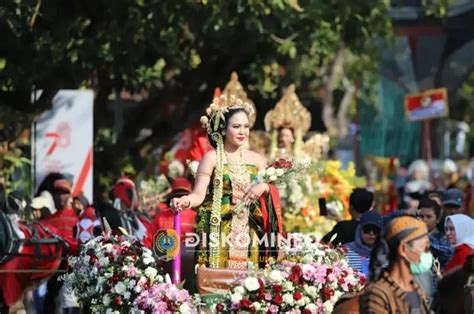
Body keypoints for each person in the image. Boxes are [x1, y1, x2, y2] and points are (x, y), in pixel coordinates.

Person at [171, 94, 283, 269]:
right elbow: (199, 194)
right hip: (219, 230)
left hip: (251, 231)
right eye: (236, 126)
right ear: (223, 129)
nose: (242, 132)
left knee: (249, 283)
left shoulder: (258, 160)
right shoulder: (212, 158)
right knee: (218, 283)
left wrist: (264, 187)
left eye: (246, 127)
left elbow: (272, 197)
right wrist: (185, 201)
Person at [360, 216, 431, 313]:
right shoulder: (378, 294)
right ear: (403, 250)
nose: (427, 253)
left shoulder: (416, 289)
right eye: (424, 247)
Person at [345, 210, 383, 277]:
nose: (371, 233)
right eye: (367, 229)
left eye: (375, 230)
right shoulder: (345, 251)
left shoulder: (386, 254)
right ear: (360, 230)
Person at [418, 198, 453, 268]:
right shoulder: (411, 236)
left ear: (438, 219)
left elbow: (446, 253)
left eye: (429, 217)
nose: (424, 220)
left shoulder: (443, 239)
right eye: (421, 216)